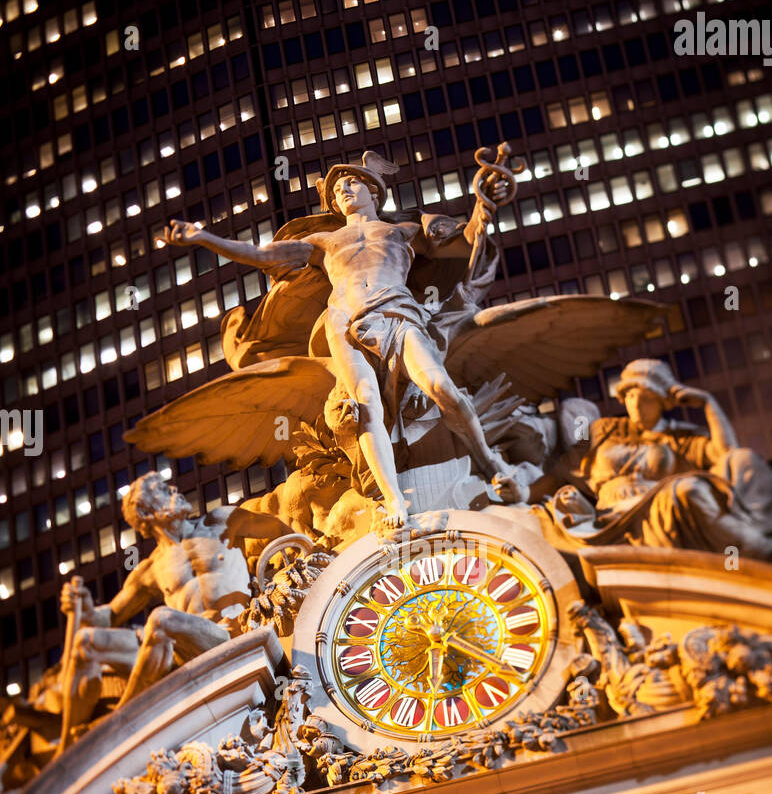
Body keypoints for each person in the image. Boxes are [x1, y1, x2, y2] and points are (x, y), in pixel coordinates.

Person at [160, 150, 514, 526]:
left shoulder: (405, 229)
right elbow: (260, 254)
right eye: (336, 190)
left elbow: (469, 239)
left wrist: (485, 204)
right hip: (344, 318)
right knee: (364, 406)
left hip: (396, 310)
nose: (343, 191)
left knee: (440, 386)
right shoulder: (324, 240)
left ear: (374, 192)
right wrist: (204, 237)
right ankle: (393, 500)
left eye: (351, 183)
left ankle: (491, 463)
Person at [501, 359, 772, 571]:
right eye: (627, 396)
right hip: (617, 521)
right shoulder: (604, 432)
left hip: (664, 511)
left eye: (641, 397)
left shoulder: (682, 438)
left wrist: (707, 403)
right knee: (687, 489)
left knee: (734, 464)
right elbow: (558, 475)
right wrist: (521, 490)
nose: (632, 404)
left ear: (662, 400)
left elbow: (727, 455)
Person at [59, 472, 286, 734]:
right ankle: (72, 744)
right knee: (85, 641)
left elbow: (279, 529)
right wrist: (84, 606)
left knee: (160, 620)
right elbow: (109, 616)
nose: (175, 490)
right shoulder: (150, 569)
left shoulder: (222, 522)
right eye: (163, 490)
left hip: (234, 634)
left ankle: (122, 717)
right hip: (187, 653)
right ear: (145, 512)